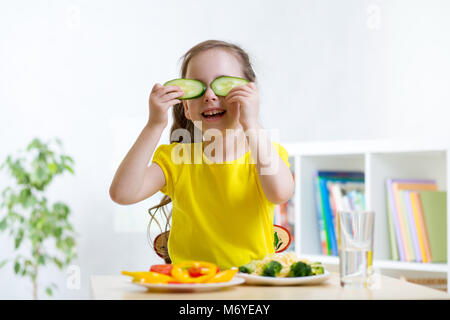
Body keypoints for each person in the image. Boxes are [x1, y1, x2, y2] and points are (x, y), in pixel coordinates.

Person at [109, 40, 295, 270]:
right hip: (191, 286)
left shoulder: (265, 154)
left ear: (250, 95)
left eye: (223, 85)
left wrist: (251, 122)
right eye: (197, 87)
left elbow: (280, 193)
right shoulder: (177, 158)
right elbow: (123, 193)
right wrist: (154, 125)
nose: (209, 95)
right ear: (186, 107)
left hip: (250, 285)